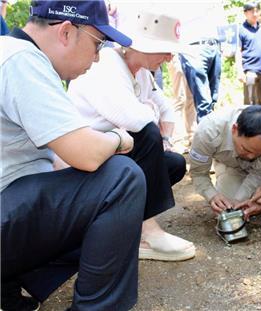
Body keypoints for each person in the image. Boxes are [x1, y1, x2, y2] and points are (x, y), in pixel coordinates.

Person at [1, 1, 150, 310]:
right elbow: (87, 154)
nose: (97, 58)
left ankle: (8, 291)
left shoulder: (12, 53)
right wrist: (118, 137)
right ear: (67, 31)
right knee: (121, 179)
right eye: (97, 44)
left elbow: (54, 161)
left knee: (90, 197)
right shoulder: (21, 60)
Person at [68, 11, 196, 261]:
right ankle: (148, 231)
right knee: (147, 133)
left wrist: (166, 139)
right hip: (85, 158)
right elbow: (136, 119)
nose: (170, 58)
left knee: (174, 163)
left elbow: (167, 111)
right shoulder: (106, 64)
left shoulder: (143, 73)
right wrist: (150, 111)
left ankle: (125, 224)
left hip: (114, 149)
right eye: (164, 50)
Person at [189, 105, 261, 220]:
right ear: (234, 129)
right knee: (227, 208)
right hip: (229, 166)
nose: (251, 157)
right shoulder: (208, 132)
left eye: (260, 153)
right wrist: (212, 196)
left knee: (256, 199)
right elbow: (198, 173)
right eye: (246, 149)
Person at [236, 2, 261, 106]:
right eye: (252, 11)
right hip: (250, 70)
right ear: (245, 13)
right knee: (249, 103)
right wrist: (240, 71)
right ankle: (247, 122)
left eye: (257, 11)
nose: (255, 14)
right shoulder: (241, 29)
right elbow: (238, 51)